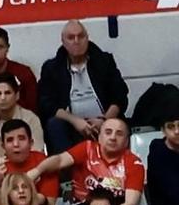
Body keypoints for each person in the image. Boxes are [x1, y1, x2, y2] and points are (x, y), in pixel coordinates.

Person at [37, 19, 129, 155]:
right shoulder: (52, 68)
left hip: (104, 120)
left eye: (80, 36)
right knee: (54, 124)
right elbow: (46, 104)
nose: (76, 41)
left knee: (117, 125)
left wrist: (104, 121)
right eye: (71, 37)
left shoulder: (104, 61)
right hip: (71, 124)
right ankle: (67, 174)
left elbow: (120, 96)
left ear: (87, 38)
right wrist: (75, 121)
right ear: (63, 42)